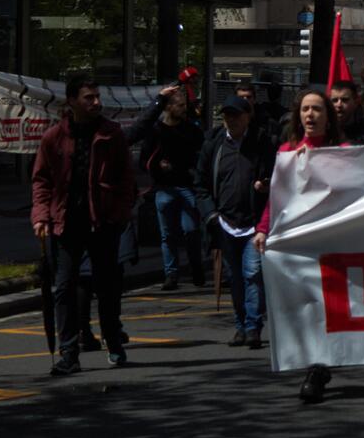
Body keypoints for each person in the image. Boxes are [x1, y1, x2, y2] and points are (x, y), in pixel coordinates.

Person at [33, 73, 138, 376]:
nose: (96, 102)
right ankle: (69, 352)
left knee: (106, 287)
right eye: (88, 97)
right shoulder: (54, 137)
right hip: (65, 223)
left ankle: (113, 340)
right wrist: (41, 216)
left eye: (97, 97)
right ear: (72, 101)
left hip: (103, 222)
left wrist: (119, 214)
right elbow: (41, 180)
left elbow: (125, 179)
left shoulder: (111, 133)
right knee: (64, 287)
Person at [258, 89, 347, 403]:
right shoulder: (287, 151)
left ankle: (320, 366)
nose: (310, 115)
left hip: (334, 244)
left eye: (317, 109)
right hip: (300, 245)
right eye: (305, 109)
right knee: (307, 307)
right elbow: (277, 198)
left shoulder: (345, 151)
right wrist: (263, 230)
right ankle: (316, 365)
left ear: (328, 116)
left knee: (329, 306)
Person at [196, 96, 274, 349]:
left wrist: (265, 185)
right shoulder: (214, 145)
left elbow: (277, 178)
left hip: (253, 224)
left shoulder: (263, 143)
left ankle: (253, 327)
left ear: (247, 117)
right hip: (225, 224)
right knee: (235, 277)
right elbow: (201, 186)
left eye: (237, 115)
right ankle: (240, 326)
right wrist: (211, 216)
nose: (232, 120)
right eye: (228, 115)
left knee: (252, 274)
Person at [128, 82, 205, 291]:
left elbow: (202, 155)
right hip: (165, 187)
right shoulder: (156, 131)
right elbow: (144, 159)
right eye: (179, 105)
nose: (183, 109)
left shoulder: (192, 130)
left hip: (187, 187)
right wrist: (156, 165)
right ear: (169, 107)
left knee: (191, 230)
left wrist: (195, 171)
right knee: (167, 234)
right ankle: (171, 274)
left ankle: (196, 266)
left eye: (184, 105)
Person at [330, 78, 364, 145]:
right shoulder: (324, 133)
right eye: (334, 100)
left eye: (345, 100)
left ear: (356, 102)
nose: (339, 104)